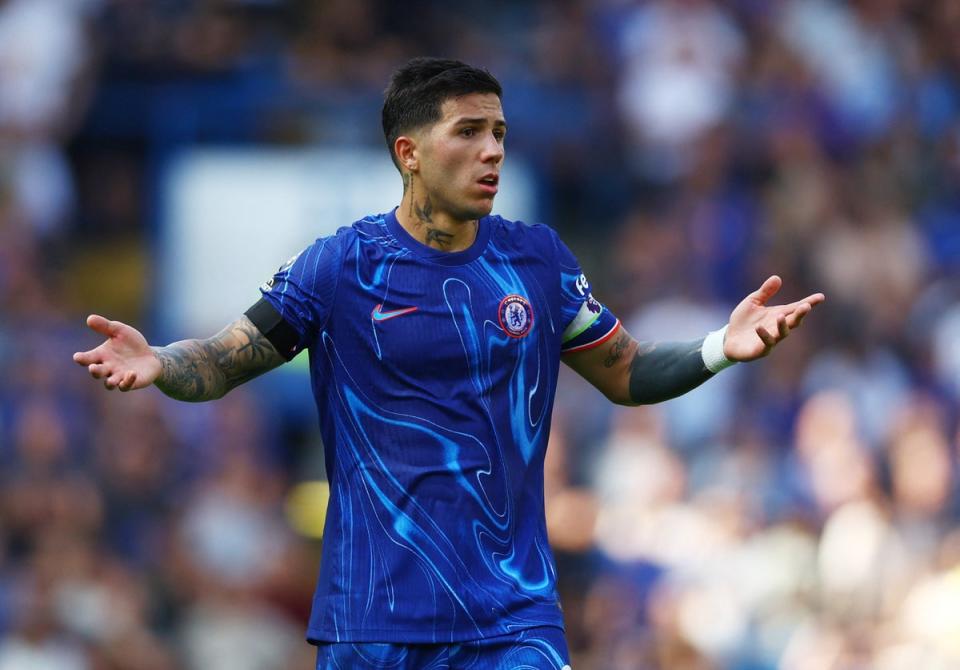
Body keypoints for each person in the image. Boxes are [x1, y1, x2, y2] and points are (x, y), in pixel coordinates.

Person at [73, 57, 825, 669]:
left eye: (499, 132)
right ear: (410, 153)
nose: (493, 149)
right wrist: (163, 363)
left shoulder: (538, 260)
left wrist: (717, 350)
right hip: (373, 619)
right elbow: (224, 359)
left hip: (511, 615)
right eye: (469, 132)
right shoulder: (341, 266)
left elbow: (626, 371)